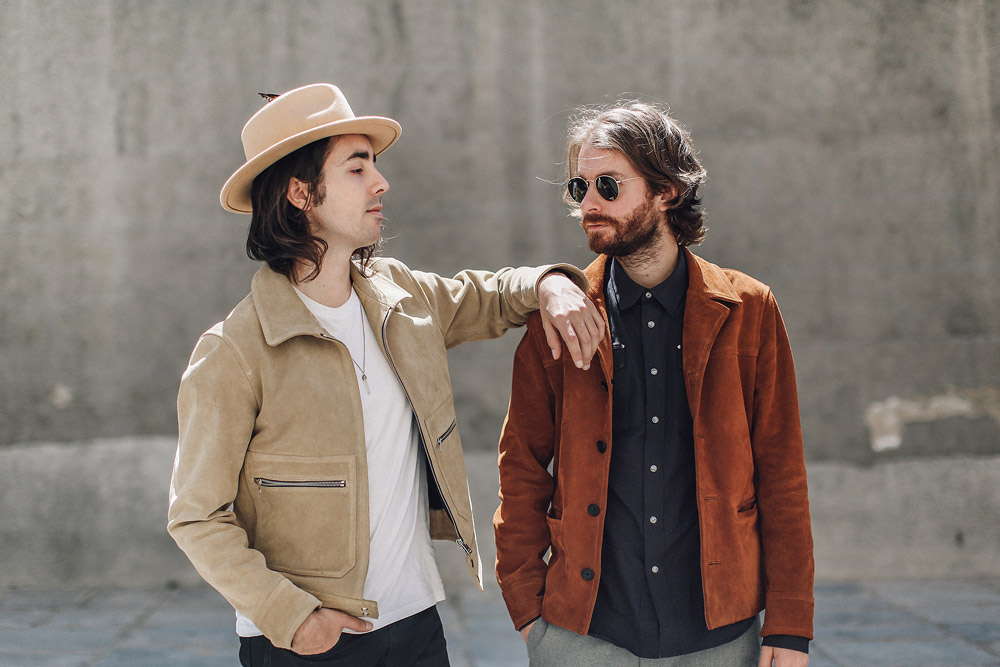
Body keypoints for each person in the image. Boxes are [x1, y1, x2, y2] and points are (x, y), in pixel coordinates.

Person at [167, 83, 604, 667]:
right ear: (300, 193)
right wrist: (291, 616)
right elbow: (196, 515)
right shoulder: (235, 351)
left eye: (374, 165)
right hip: (310, 643)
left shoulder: (401, 297)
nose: (381, 183)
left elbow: (494, 296)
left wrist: (550, 283)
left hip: (417, 626)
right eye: (356, 168)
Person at [493, 101, 814, 667]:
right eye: (579, 187)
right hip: (583, 636)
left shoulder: (749, 310)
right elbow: (520, 470)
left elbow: (781, 472)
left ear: (666, 191)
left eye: (608, 185)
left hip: (718, 636)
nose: (588, 204)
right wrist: (528, 614)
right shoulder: (557, 317)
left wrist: (789, 626)